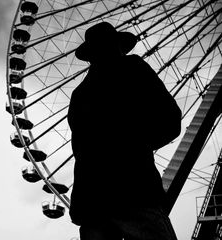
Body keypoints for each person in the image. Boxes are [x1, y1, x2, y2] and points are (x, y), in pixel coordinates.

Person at [67, 22, 181, 240]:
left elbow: (79, 149)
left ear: (90, 56)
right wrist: (138, 145)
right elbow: (171, 120)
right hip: (134, 189)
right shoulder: (132, 68)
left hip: (90, 202)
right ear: (117, 46)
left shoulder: (79, 95)